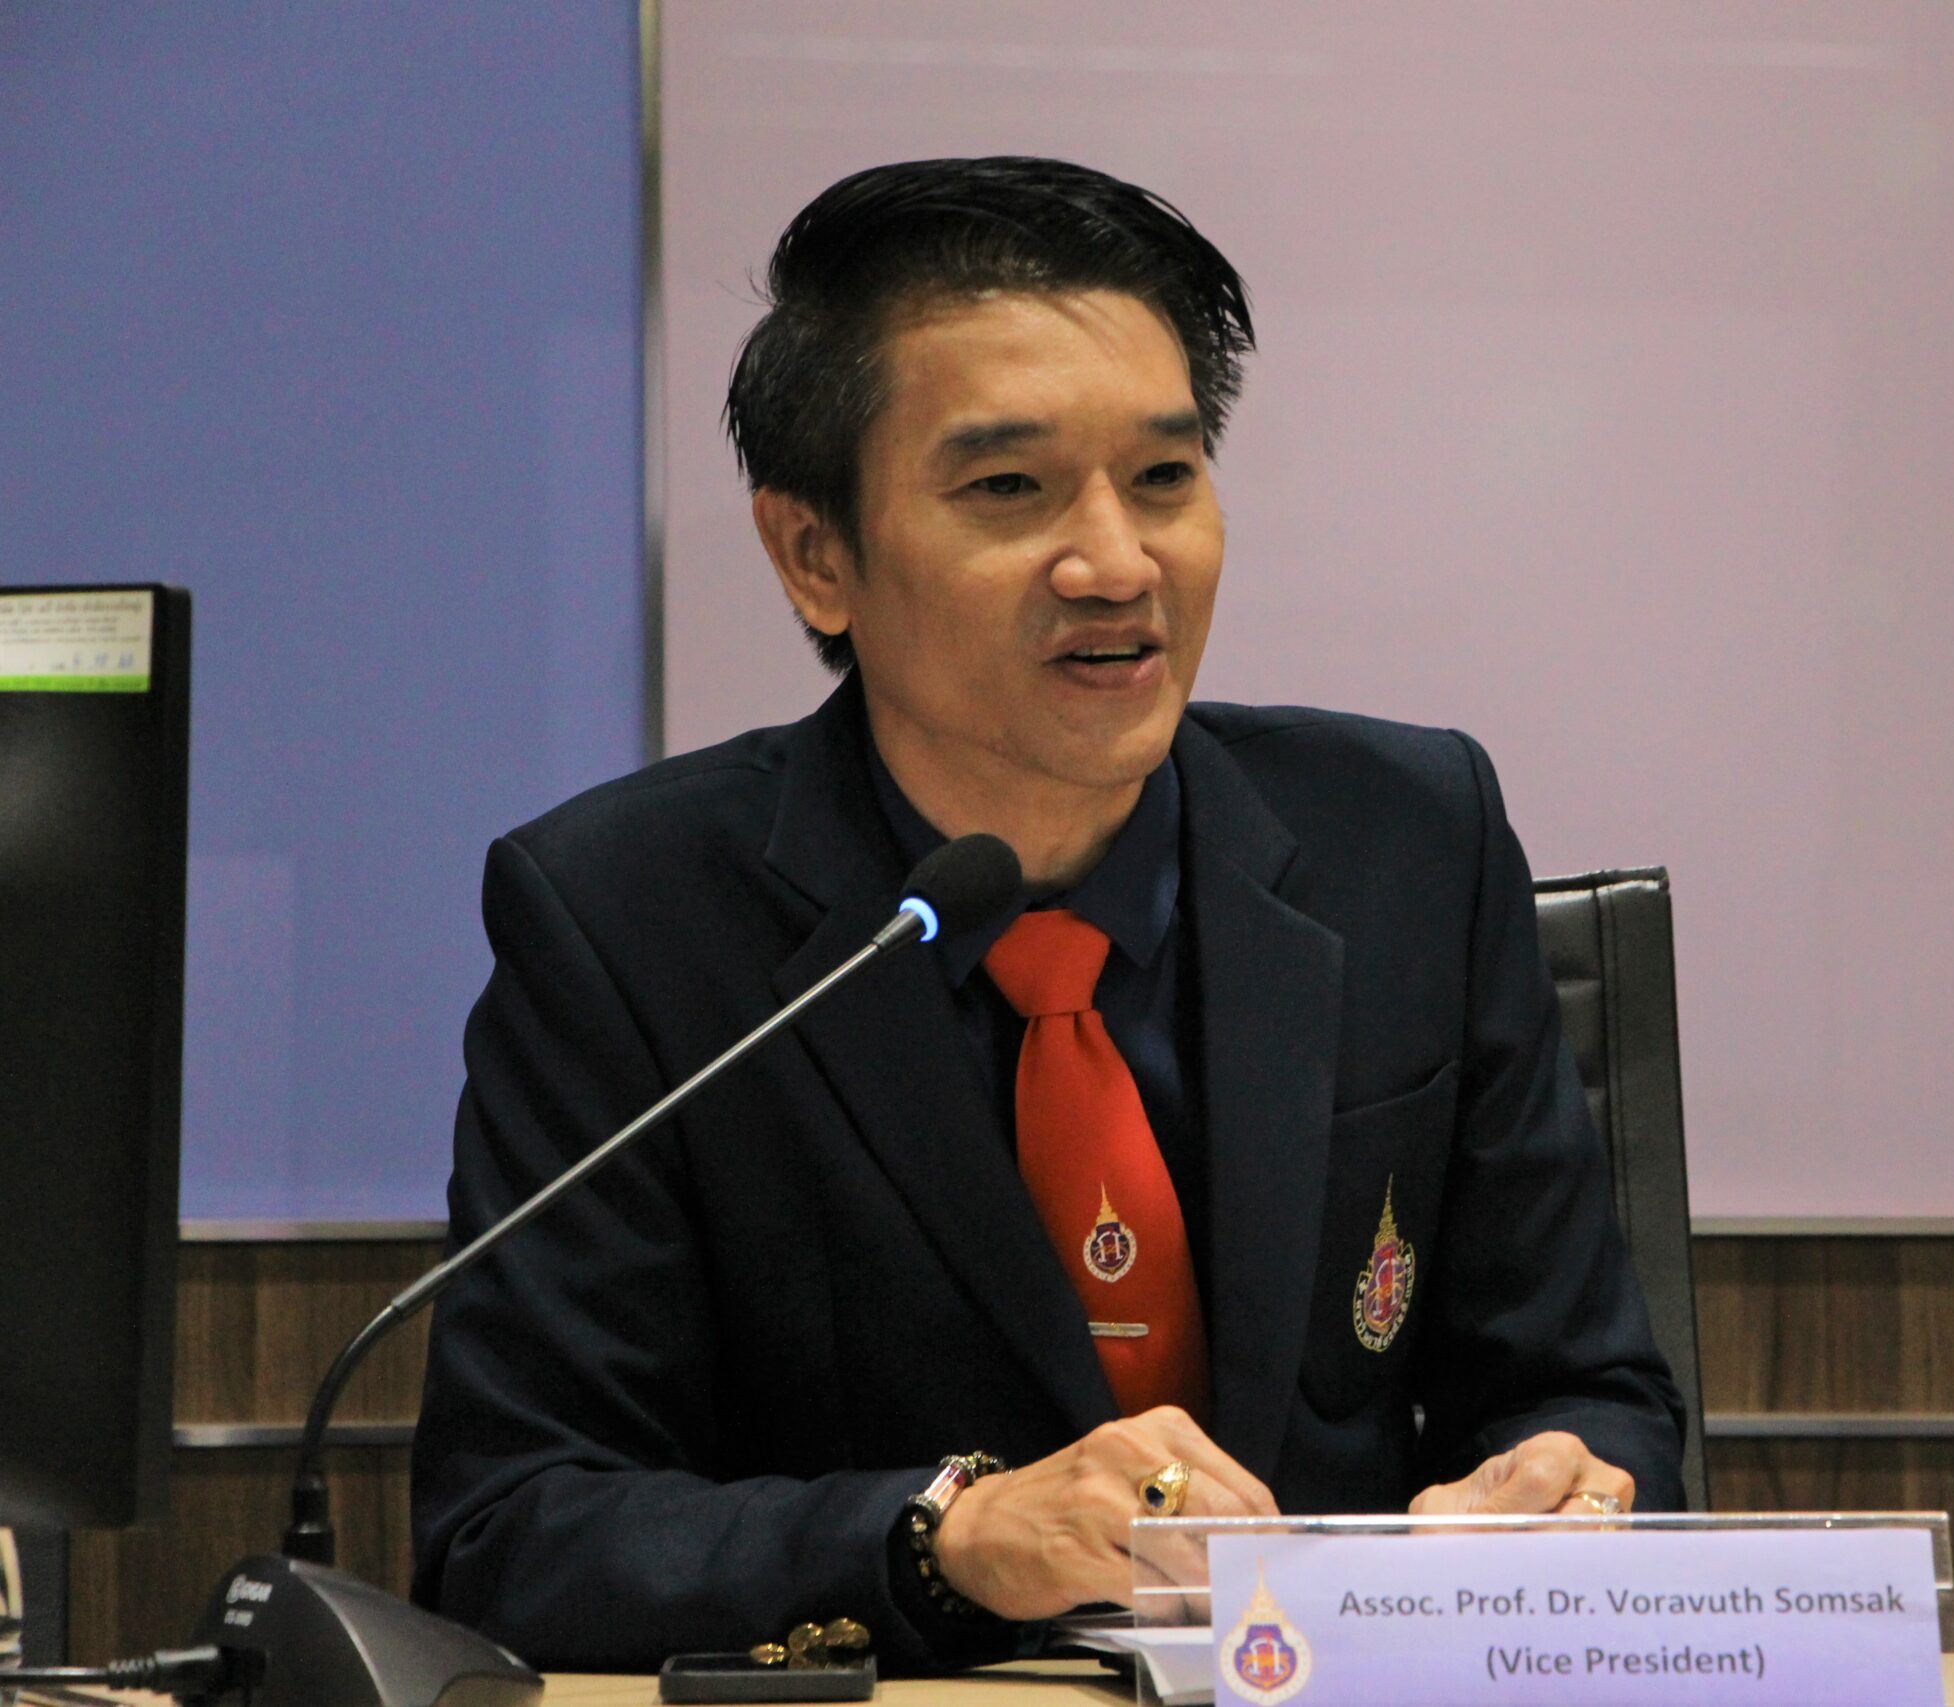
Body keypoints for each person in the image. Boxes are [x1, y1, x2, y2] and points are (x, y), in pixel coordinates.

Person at [410, 156, 1684, 1674]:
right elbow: (514, 1528)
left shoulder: (1409, 839)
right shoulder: (628, 922)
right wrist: (941, 1540)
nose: (1116, 563)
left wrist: (1567, 1487)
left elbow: (1592, 1390)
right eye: (1009, 490)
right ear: (815, 556)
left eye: (1164, 478)